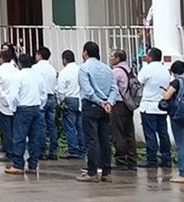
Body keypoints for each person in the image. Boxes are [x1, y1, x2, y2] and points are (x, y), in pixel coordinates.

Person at [76, 41, 118, 182]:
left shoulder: (84, 68)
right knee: (104, 139)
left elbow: (88, 91)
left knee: (92, 140)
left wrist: (100, 102)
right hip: (105, 107)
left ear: (85, 52)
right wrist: (109, 102)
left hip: (91, 106)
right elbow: (114, 89)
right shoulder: (107, 69)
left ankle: (92, 171)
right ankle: (106, 171)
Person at [6, 53, 48, 175]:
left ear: (19, 63)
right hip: (36, 108)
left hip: (23, 108)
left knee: (19, 137)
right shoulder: (38, 76)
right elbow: (43, 94)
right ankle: (33, 165)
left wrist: (13, 107)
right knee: (34, 138)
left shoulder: (18, 76)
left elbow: (13, 95)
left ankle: (18, 164)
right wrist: (40, 105)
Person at [137, 46, 171, 168]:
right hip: (162, 106)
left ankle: (152, 159)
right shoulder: (165, 70)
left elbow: (138, 82)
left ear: (150, 57)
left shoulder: (147, 69)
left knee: (150, 134)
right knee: (163, 133)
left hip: (148, 106)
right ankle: (166, 158)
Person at [109, 49, 137, 170]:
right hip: (128, 104)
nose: (110, 59)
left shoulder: (116, 72)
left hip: (119, 104)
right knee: (129, 133)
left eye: (112, 56)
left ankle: (121, 160)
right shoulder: (129, 70)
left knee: (118, 133)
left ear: (117, 59)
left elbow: (111, 88)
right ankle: (132, 160)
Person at [56, 49, 85, 159]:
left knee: (70, 126)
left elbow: (61, 90)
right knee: (81, 126)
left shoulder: (64, 72)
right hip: (80, 99)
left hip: (69, 99)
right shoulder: (80, 70)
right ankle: (83, 149)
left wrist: (61, 102)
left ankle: (73, 150)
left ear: (64, 60)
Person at [0, 48, 20, 164]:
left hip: (3, 106)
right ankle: (16, 152)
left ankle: (9, 153)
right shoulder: (16, 70)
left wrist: (5, 101)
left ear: (1, 58)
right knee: (14, 130)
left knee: (6, 131)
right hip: (15, 104)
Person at [33, 47, 58, 160]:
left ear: (39, 55)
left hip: (41, 97)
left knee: (41, 126)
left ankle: (42, 151)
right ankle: (53, 151)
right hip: (52, 96)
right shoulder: (52, 69)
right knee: (52, 125)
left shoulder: (35, 68)